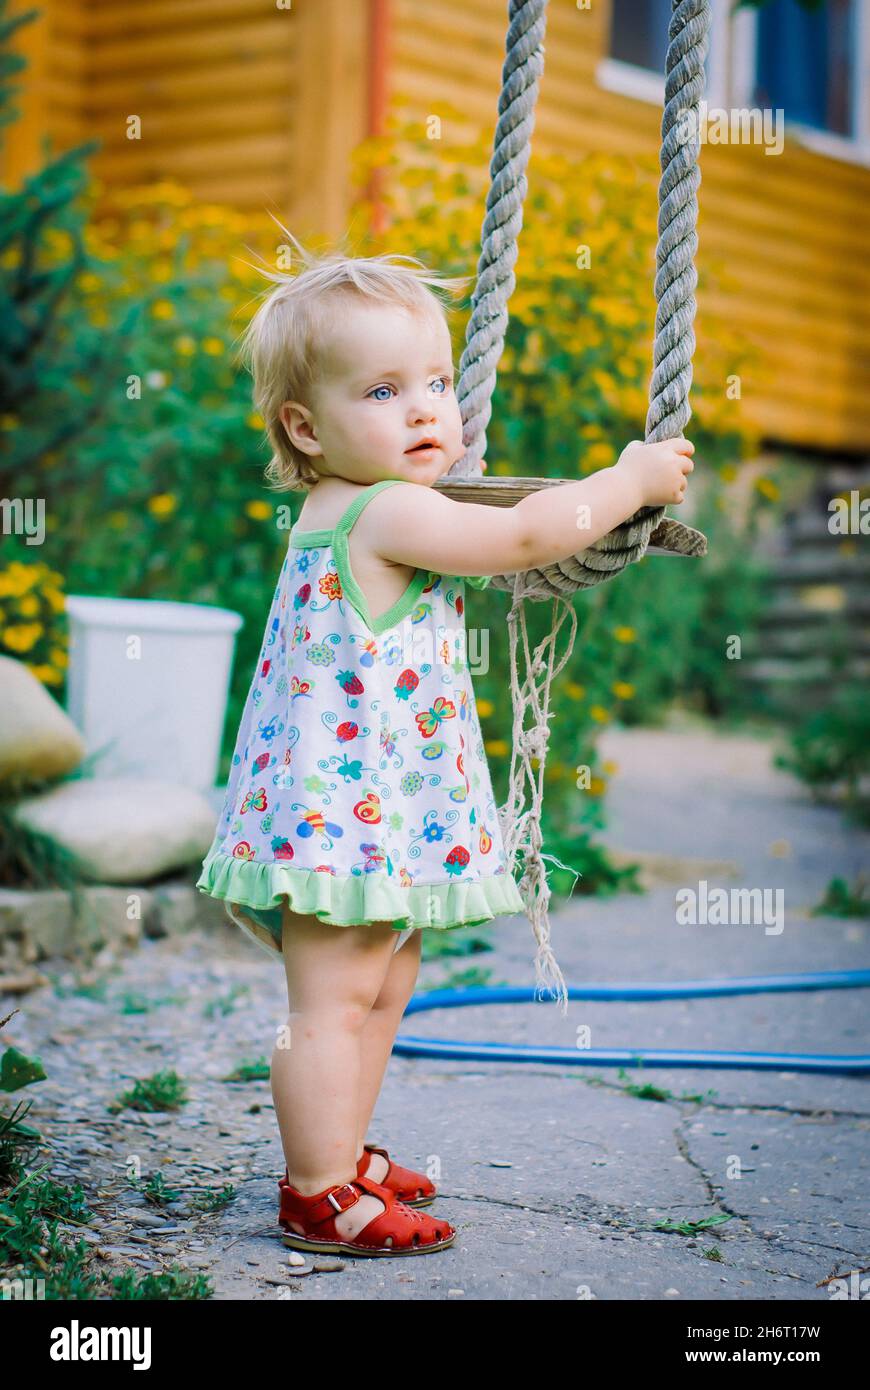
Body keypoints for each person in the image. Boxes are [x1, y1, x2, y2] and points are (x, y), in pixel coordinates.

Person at [196, 235, 694, 1258]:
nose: (426, 407)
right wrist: (627, 477)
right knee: (335, 999)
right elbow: (518, 538)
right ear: (306, 424)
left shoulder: (354, 505)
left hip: (363, 810)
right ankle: (317, 1187)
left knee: (385, 976)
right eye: (382, 391)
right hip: (343, 819)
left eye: (433, 380)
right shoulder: (384, 512)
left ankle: (342, 1153)